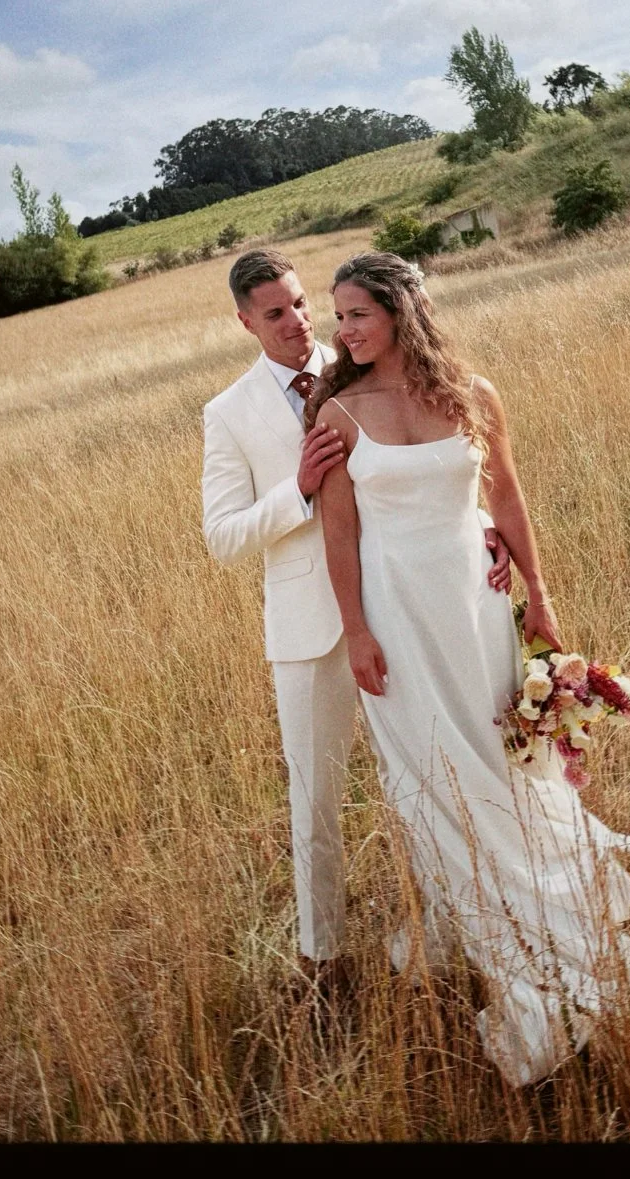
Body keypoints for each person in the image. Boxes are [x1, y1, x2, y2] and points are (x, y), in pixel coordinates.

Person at [308, 251, 630, 1086]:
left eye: (354, 313)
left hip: (475, 608)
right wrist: (356, 630)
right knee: (439, 779)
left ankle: (552, 923)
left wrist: (538, 593)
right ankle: (504, 944)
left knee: (506, 766)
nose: (339, 330)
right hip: (398, 621)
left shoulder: (472, 395)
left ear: (400, 310)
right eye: (337, 315)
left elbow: (507, 495)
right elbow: (338, 532)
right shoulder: (337, 409)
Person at [200, 248, 511, 991]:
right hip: (312, 630)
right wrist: (298, 490)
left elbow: (411, 468)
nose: (297, 322)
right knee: (315, 803)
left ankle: (452, 931)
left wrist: (475, 527)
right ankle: (323, 962)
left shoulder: (361, 363)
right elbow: (222, 537)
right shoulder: (229, 413)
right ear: (245, 321)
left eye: (301, 303)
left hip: (406, 613)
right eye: (274, 312)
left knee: (430, 780)